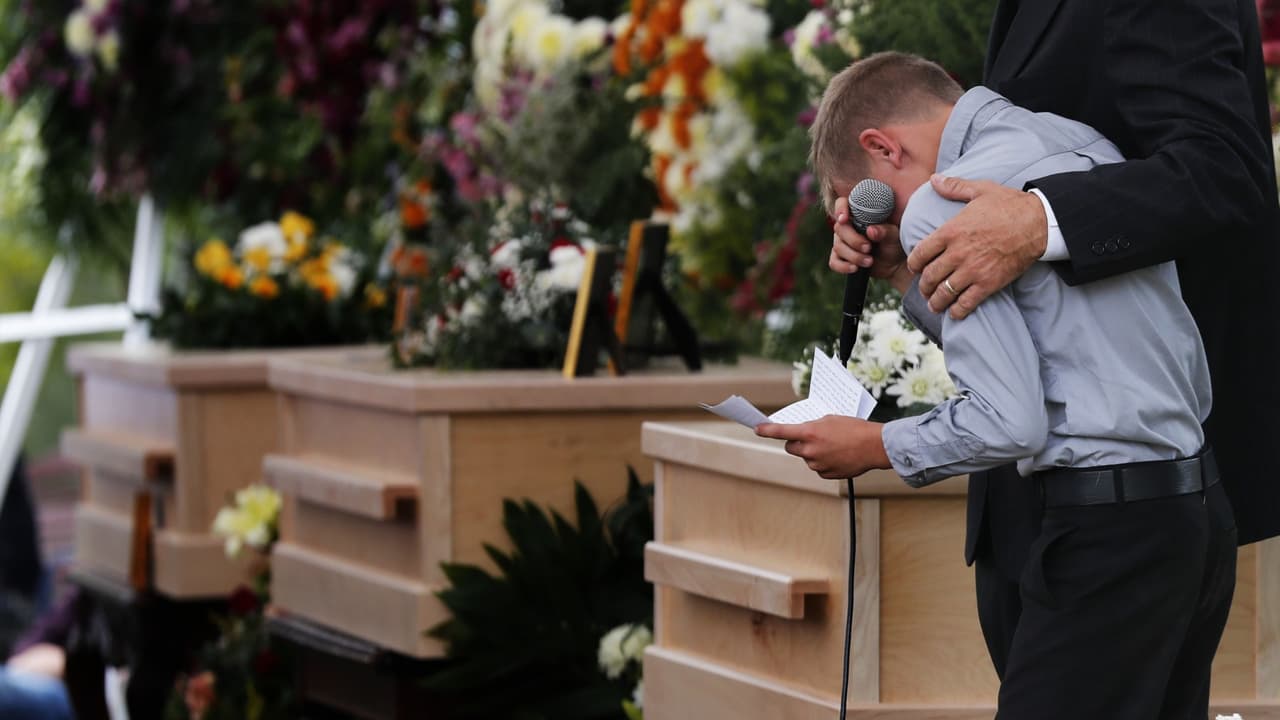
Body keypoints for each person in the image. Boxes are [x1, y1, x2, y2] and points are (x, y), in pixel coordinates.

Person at [757, 52, 1235, 718]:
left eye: (865, 196)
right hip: (1195, 514)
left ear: (882, 147)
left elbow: (1009, 422)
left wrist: (873, 445)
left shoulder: (939, 204)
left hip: (1107, 534)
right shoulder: (1072, 139)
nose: (875, 220)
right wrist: (901, 272)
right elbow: (1053, 342)